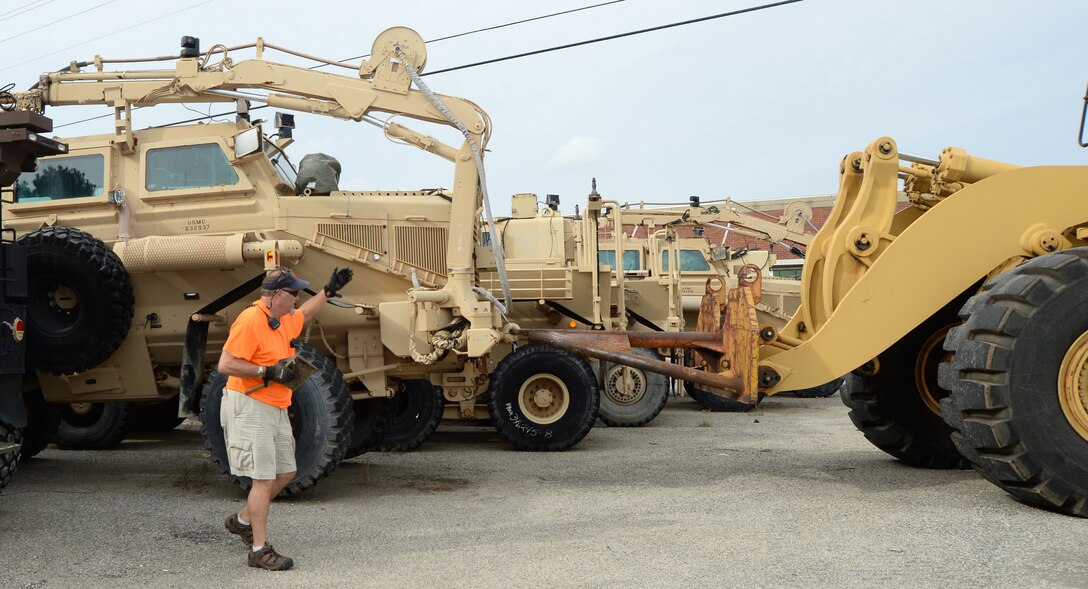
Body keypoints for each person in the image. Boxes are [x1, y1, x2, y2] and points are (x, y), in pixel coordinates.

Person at [218, 265, 352, 571]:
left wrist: (327, 291)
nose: (295, 298)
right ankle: (258, 550)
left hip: (275, 404)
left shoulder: (279, 319)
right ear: (275, 294)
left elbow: (305, 313)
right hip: (250, 404)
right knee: (263, 479)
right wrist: (265, 371)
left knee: (286, 473)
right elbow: (226, 364)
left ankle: (241, 520)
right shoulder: (251, 320)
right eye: (292, 293)